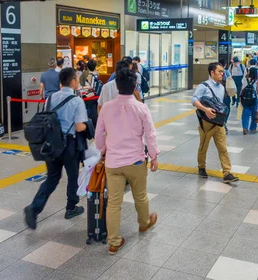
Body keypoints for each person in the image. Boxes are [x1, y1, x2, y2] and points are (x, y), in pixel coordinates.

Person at [95, 68, 159, 255]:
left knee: (114, 202)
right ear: (135, 86)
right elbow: (150, 134)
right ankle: (144, 223)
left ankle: (114, 242)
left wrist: (102, 150)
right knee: (140, 195)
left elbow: (99, 134)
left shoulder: (106, 107)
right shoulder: (141, 107)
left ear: (116, 86)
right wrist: (154, 156)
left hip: (113, 163)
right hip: (136, 162)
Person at [24, 68, 88, 229]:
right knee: (73, 176)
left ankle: (34, 208)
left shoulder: (50, 98)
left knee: (52, 177)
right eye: (77, 79)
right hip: (70, 145)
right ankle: (71, 207)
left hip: (52, 144)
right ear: (72, 81)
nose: (78, 81)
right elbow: (80, 127)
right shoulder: (77, 101)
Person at [192, 62, 238, 183]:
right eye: (220, 72)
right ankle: (201, 167)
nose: (222, 74)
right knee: (203, 147)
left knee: (223, 148)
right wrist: (205, 109)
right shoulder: (203, 86)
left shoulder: (222, 87)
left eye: (223, 71)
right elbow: (194, 101)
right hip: (206, 123)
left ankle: (227, 172)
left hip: (218, 123)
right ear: (212, 73)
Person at [241, 67, 258, 135]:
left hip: (245, 98)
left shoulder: (244, 79)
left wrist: (240, 98)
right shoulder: (257, 81)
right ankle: (253, 127)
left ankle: (245, 127)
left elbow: (242, 89)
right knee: (254, 113)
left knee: (245, 113)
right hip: (254, 99)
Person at [219, 58, 232, 134]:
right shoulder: (227, 72)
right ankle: (224, 123)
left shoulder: (214, 73)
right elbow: (230, 83)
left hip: (216, 95)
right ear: (225, 65)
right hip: (225, 94)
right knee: (227, 109)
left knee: (218, 109)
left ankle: (220, 123)